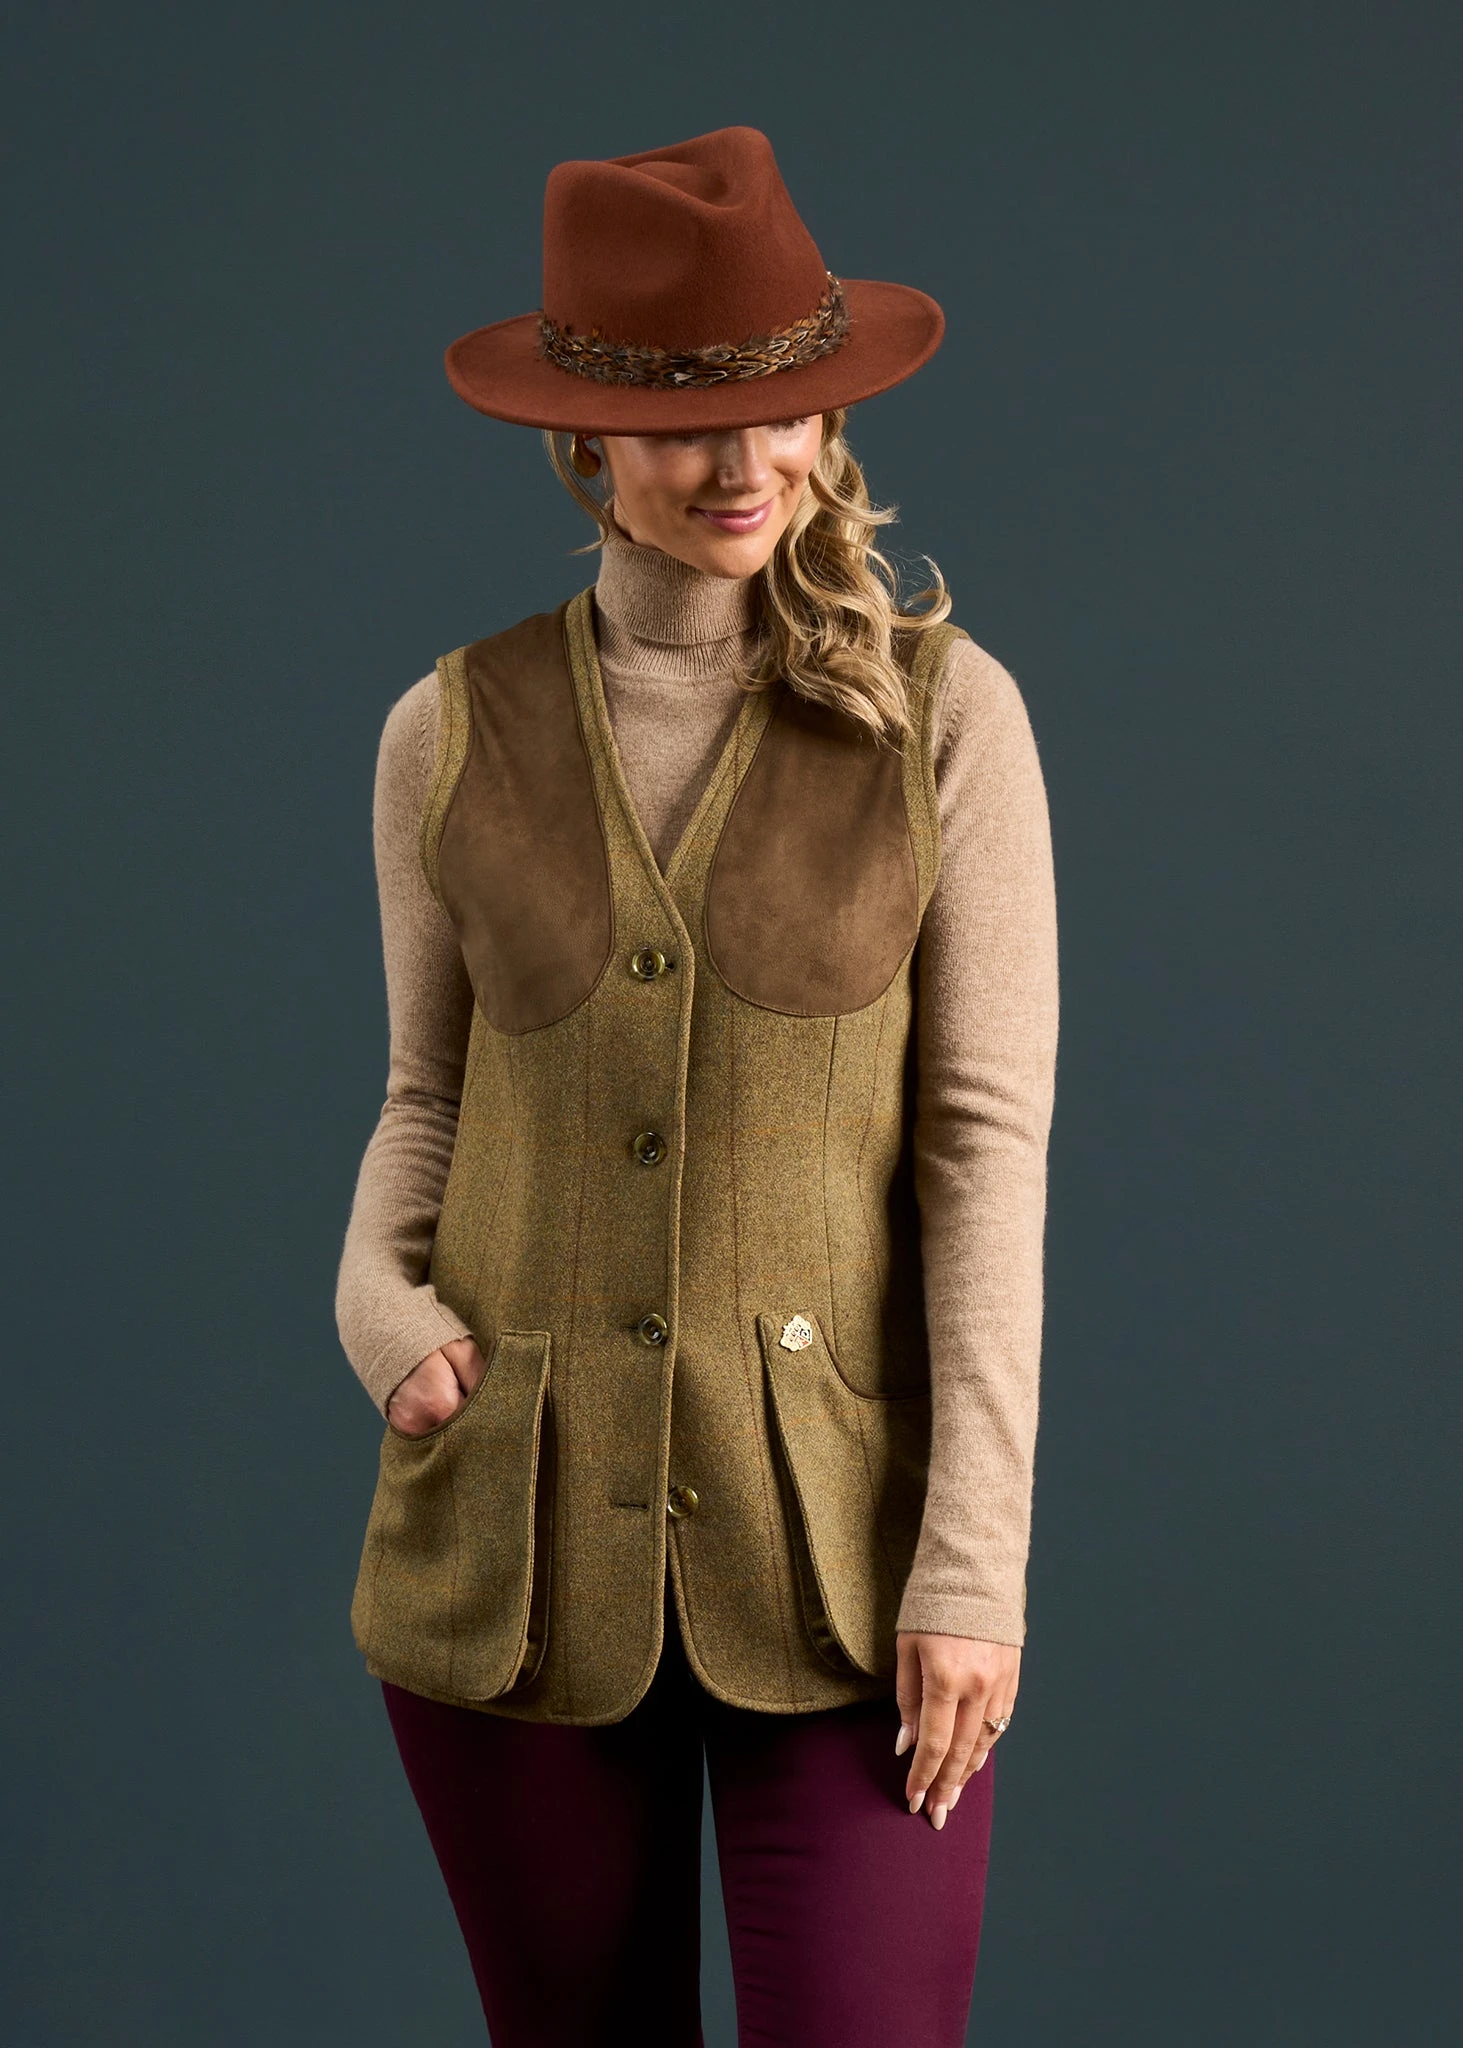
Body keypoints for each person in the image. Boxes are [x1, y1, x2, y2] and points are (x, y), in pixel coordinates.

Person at [334, 123, 1059, 2048]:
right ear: (584, 437)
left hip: (844, 1557)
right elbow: (424, 1097)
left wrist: (972, 1569)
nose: (746, 467)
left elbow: (983, 1156)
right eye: (683, 428)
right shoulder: (443, 730)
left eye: (784, 414)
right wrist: (374, 1309)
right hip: (512, 1544)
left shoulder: (943, 718)